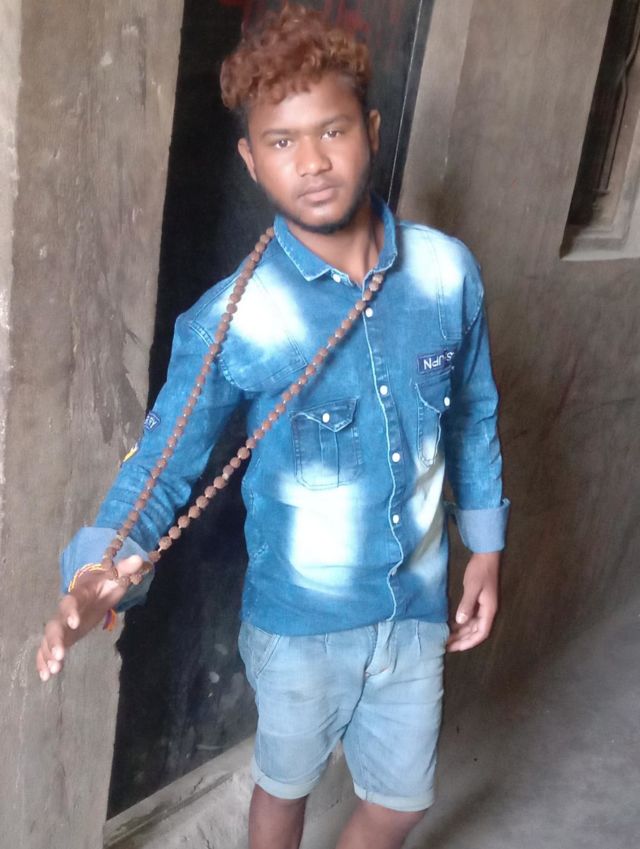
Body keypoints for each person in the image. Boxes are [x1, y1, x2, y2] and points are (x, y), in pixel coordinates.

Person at [36, 6, 509, 849]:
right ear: (252, 161)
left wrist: (486, 548)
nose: (313, 162)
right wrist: (97, 571)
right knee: (285, 784)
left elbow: (473, 412)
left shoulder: (446, 273)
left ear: (370, 131)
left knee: (401, 801)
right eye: (282, 141)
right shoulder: (233, 319)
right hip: (299, 624)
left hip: (416, 603)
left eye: (332, 130)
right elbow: (162, 465)